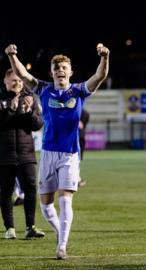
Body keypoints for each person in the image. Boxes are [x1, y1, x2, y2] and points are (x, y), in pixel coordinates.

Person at [5, 43, 109, 259]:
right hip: (48, 153)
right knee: (46, 207)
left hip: (70, 154)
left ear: (70, 72)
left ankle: (62, 247)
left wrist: (104, 57)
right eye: (57, 68)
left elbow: (100, 76)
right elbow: (23, 74)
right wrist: (12, 56)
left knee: (65, 199)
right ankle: (62, 233)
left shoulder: (79, 90)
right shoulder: (44, 89)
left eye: (64, 67)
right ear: (51, 72)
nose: (60, 70)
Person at [0, 68, 45, 239]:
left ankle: (30, 227)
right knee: (6, 192)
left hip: (26, 154)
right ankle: (9, 228)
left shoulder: (31, 98)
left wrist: (27, 113)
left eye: (20, 81)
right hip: (4, 155)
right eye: (13, 80)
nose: (18, 83)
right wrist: (9, 110)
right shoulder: (1, 98)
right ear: (5, 81)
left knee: (31, 190)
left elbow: (38, 124)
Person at [78, 108, 90, 187]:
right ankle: (77, 179)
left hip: (78, 138)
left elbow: (81, 126)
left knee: (77, 160)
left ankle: (77, 179)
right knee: (76, 161)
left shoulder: (85, 113)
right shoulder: (85, 113)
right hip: (79, 138)